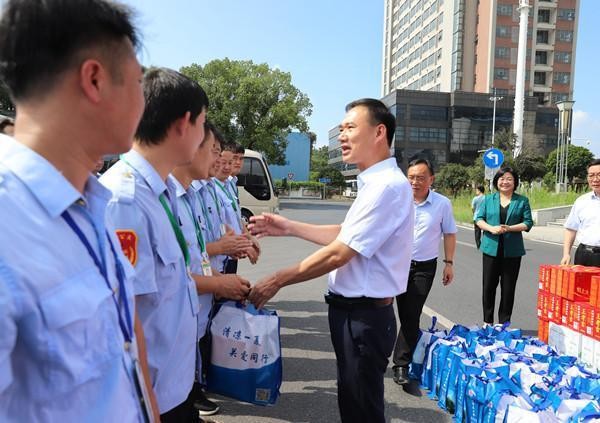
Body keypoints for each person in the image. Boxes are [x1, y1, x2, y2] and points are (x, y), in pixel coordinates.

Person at [0, 0, 159, 421]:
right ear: (95, 79)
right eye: (138, 82)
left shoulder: (89, 202)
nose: (144, 102)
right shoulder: (8, 222)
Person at [248, 98, 414, 423]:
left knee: (361, 412)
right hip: (356, 315)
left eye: (350, 127)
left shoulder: (385, 187)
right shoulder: (376, 184)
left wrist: (278, 279)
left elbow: (341, 252)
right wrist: (289, 226)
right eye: (341, 129)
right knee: (354, 404)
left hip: (363, 317)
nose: (342, 136)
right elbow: (345, 234)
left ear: (379, 132)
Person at [100, 67, 217, 422]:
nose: (204, 138)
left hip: (173, 387)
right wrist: (145, 403)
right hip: (151, 397)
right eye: (202, 125)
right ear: (183, 124)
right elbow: (123, 317)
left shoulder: (160, 193)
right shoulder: (126, 199)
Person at [171, 122, 251, 418]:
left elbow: (193, 251)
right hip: (178, 313)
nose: (220, 161)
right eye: (216, 152)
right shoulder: (144, 195)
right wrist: (218, 280)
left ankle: (195, 389)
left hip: (201, 288)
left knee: (198, 345)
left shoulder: (194, 191)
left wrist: (220, 277)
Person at [391, 158, 457, 386]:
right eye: (411, 177)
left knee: (411, 313)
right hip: (395, 265)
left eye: (420, 178)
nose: (415, 182)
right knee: (390, 312)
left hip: (424, 267)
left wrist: (449, 263)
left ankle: (401, 364)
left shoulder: (442, 204)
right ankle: (382, 354)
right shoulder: (397, 201)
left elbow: (449, 233)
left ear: (431, 179)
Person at [476, 167, 533, 324]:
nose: (505, 182)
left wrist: (510, 228)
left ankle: (503, 324)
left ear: (515, 182)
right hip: (490, 249)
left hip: (512, 252)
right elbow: (479, 219)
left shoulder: (522, 201)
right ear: (496, 181)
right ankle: (487, 322)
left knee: (508, 289)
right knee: (488, 287)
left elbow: (528, 223)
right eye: (502, 179)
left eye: (509, 179)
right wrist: (491, 228)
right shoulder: (488, 199)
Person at [561, 158, 600, 267]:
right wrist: (566, 254)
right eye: (591, 175)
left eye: (599, 175)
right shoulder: (581, 201)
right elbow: (571, 228)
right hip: (584, 255)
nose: (595, 179)